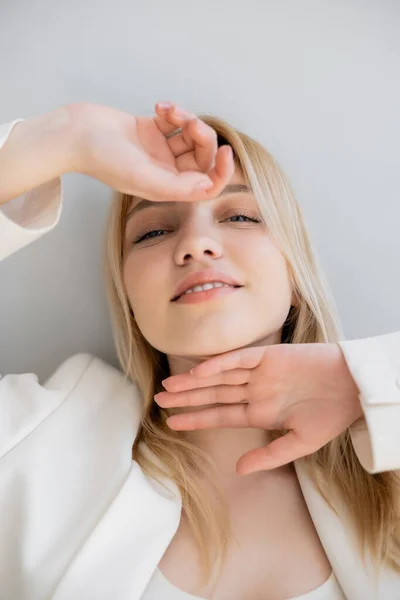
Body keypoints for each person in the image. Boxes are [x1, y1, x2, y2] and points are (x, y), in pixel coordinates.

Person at [0, 101, 398, 600]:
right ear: (128, 294)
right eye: (154, 231)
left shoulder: (389, 459)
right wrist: (65, 136)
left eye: (240, 216)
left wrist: (363, 382)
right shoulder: (32, 439)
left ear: (294, 276)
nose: (197, 244)